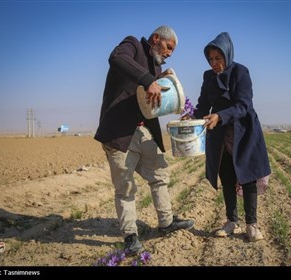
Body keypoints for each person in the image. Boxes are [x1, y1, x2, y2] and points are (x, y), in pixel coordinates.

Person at [94, 26, 194, 256]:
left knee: (160, 174)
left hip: (143, 131)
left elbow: (159, 101)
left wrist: (179, 106)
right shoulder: (132, 46)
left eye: (172, 51)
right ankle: (130, 236)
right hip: (119, 132)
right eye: (168, 47)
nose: (169, 53)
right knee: (125, 187)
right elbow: (116, 58)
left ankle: (166, 222)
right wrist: (149, 79)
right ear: (156, 38)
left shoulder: (157, 67)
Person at [184, 32, 271, 242]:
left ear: (227, 54)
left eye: (218, 58)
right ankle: (232, 221)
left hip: (243, 131)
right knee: (227, 177)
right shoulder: (208, 77)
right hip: (220, 135)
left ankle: (252, 225)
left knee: (248, 177)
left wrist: (220, 116)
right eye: (211, 59)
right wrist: (192, 117)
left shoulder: (241, 72)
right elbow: (204, 104)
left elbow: (244, 105)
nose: (214, 63)